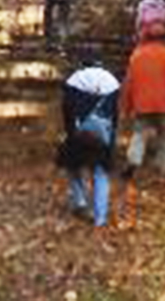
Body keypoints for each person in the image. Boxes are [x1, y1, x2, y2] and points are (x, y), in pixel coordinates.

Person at [120, 22, 165, 220]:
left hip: (142, 102)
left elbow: (129, 82)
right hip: (164, 102)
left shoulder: (137, 55)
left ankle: (133, 161)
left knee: (139, 133)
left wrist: (126, 105)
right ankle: (164, 165)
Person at [56, 46, 120, 228]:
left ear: (83, 62)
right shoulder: (112, 81)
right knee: (101, 172)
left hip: (79, 130)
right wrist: (112, 141)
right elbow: (115, 115)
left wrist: (70, 135)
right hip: (103, 132)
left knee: (72, 166)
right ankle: (100, 219)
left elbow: (67, 110)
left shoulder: (74, 80)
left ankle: (80, 202)